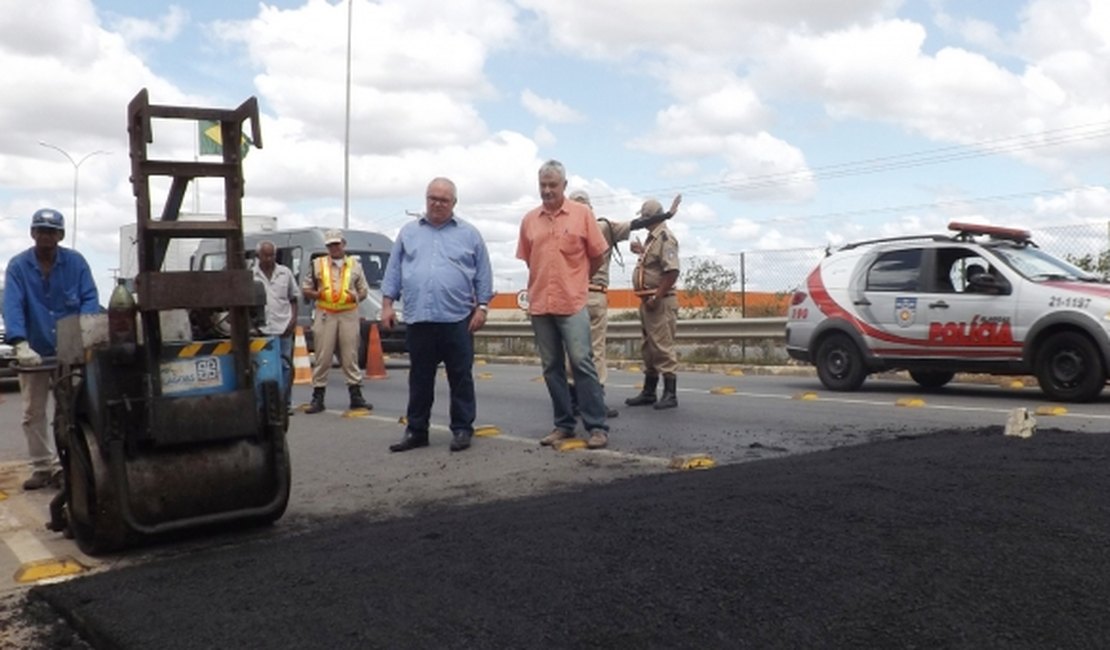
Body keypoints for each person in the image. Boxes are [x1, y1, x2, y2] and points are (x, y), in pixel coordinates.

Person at [381, 177, 493, 453]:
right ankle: (417, 431)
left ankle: (462, 429)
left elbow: (483, 275)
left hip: (457, 319)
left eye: (443, 200)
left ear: (454, 203)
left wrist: (483, 308)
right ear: (426, 199)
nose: (437, 204)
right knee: (419, 379)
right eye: (432, 198)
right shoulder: (408, 233)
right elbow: (393, 272)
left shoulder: (470, 234)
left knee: (460, 377)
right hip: (420, 319)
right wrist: (386, 305)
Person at [516, 160, 611, 449]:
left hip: (572, 302)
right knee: (551, 367)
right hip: (541, 304)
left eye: (552, 185)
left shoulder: (582, 215)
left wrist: (578, 280)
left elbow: (597, 255)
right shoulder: (530, 220)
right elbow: (529, 257)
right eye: (543, 185)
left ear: (564, 186)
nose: (547, 190)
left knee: (582, 363)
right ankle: (564, 425)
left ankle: (596, 426)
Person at [2, 208, 99, 490]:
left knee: (71, 409)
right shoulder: (19, 266)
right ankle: (42, 466)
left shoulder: (75, 263)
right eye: (41, 231)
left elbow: (89, 297)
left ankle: (65, 465)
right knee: (33, 411)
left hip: (70, 348)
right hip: (35, 351)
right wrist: (19, 342)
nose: (46, 236)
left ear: (60, 235)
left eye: (51, 232)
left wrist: (85, 332)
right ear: (33, 233)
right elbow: (12, 304)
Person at [567, 189, 680, 418]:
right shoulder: (605, 227)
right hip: (601, 295)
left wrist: (656, 297)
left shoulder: (565, 229)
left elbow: (671, 271)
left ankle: (574, 400)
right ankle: (603, 398)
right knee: (601, 350)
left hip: (577, 296)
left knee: (574, 350)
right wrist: (667, 214)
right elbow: (638, 223)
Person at [301, 229, 371, 413]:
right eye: (330, 245)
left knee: (350, 356)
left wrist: (354, 297)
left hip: (348, 314)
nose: (334, 248)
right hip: (326, 314)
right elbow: (306, 288)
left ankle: (356, 396)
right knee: (323, 356)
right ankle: (318, 397)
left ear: (343, 244)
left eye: (337, 244)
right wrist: (318, 294)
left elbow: (364, 290)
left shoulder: (355, 264)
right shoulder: (318, 264)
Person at [625, 198, 681, 410]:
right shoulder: (652, 239)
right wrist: (641, 251)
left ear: (651, 217)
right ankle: (649, 391)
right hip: (648, 301)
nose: (641, 220)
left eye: (644, 217)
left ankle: (670, 393)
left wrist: (657, 297)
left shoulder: (666, 238)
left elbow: (672, 271)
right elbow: (655, 265)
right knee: (649, 347)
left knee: (662, 345)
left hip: (659, 302)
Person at [253, 240, 299, 414]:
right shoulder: (252, 275)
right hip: (262, 331)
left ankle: (284, 404)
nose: (269, 258)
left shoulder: (284, 273)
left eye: (272, 255)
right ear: (258, 256)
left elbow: (294, 298)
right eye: (265, 255)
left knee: (285, 367)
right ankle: (263, 406)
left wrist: (292, 321)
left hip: (283, 328)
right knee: (262, 368)